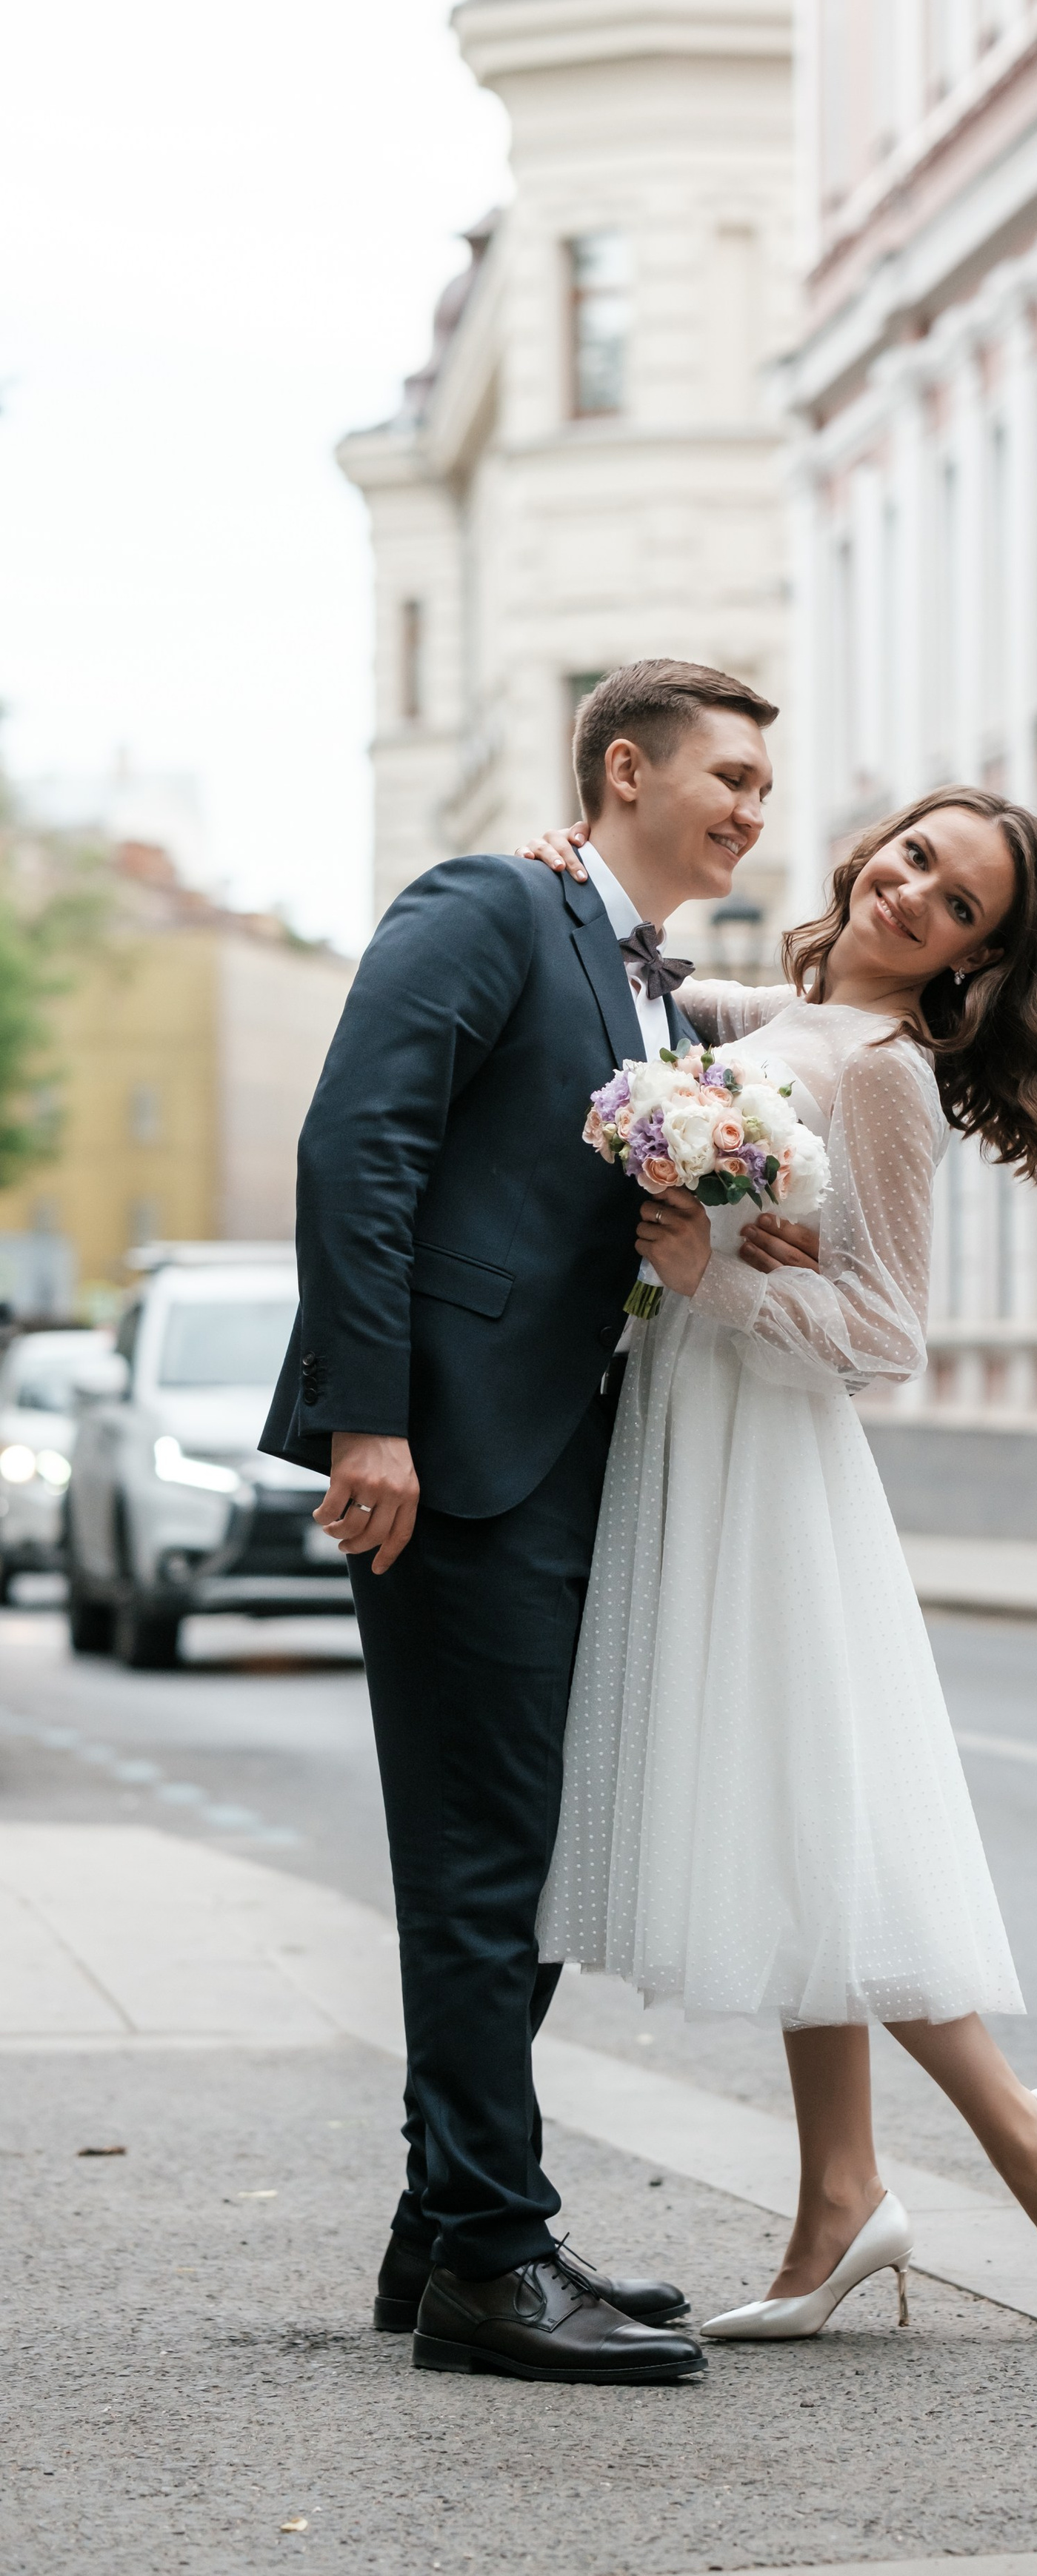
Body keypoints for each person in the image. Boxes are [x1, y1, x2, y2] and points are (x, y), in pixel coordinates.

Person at [517, 787, 1037, 2347]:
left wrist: (707, 1278)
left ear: (968, 962)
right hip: (702, 1434)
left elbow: (890, 1336)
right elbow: (655, 984)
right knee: (796, 1820)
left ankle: (1033, 2155)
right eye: (915, 855)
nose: (911, 891)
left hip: (768, 1456)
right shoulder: (791, 1013)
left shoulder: (880, 1076)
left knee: (817, 1814)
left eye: (955, 906)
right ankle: (840, 2198)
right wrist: (561, 871)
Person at [261, 659, 783, 2386]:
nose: (749, 811)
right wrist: (371, 1415)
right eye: (724, 779)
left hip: (563, 1453)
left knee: (528, 1861)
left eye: (765, 792)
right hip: (454, 1451)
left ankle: (444, 2234)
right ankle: (495, 2254)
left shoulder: (638, 975)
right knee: (488, 1868)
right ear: (622, 771)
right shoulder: (490, 902)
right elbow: (362, 1145)